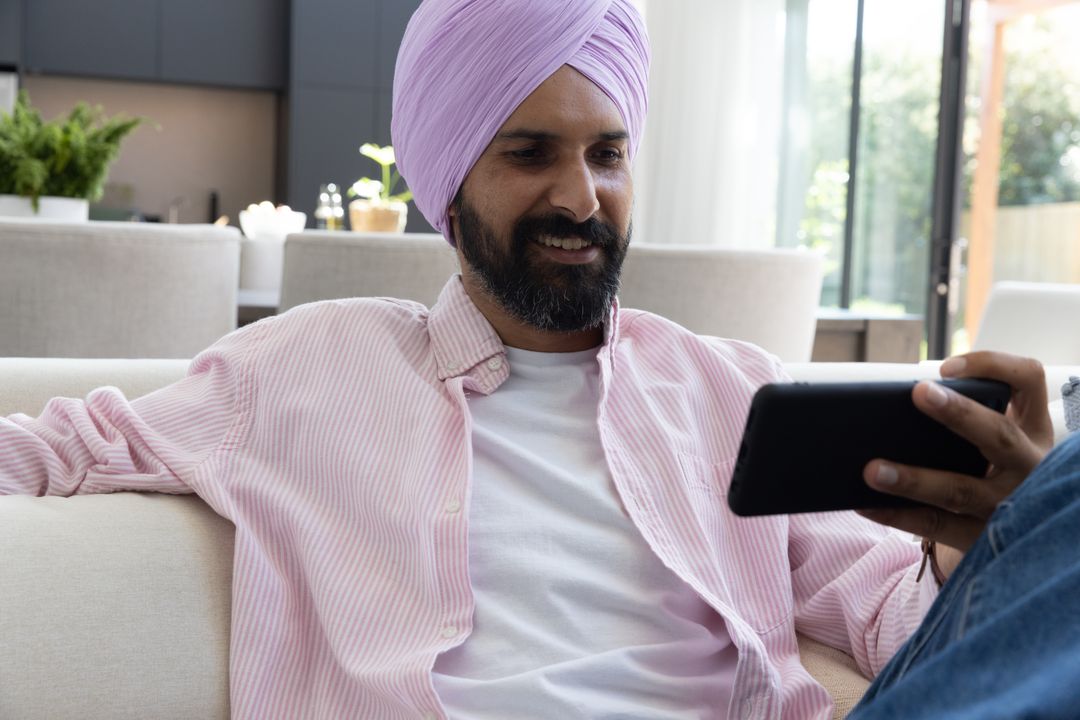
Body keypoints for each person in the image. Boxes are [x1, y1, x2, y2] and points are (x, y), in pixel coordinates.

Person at [0, 1, 1072, 718]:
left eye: (607, 154)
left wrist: (987, 538)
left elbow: (904, 634)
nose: (579, 196)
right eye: (529, 154)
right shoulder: (302, 370)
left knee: (1065, 502)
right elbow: (48, 450)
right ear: (449, 189)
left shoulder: (730, 391)